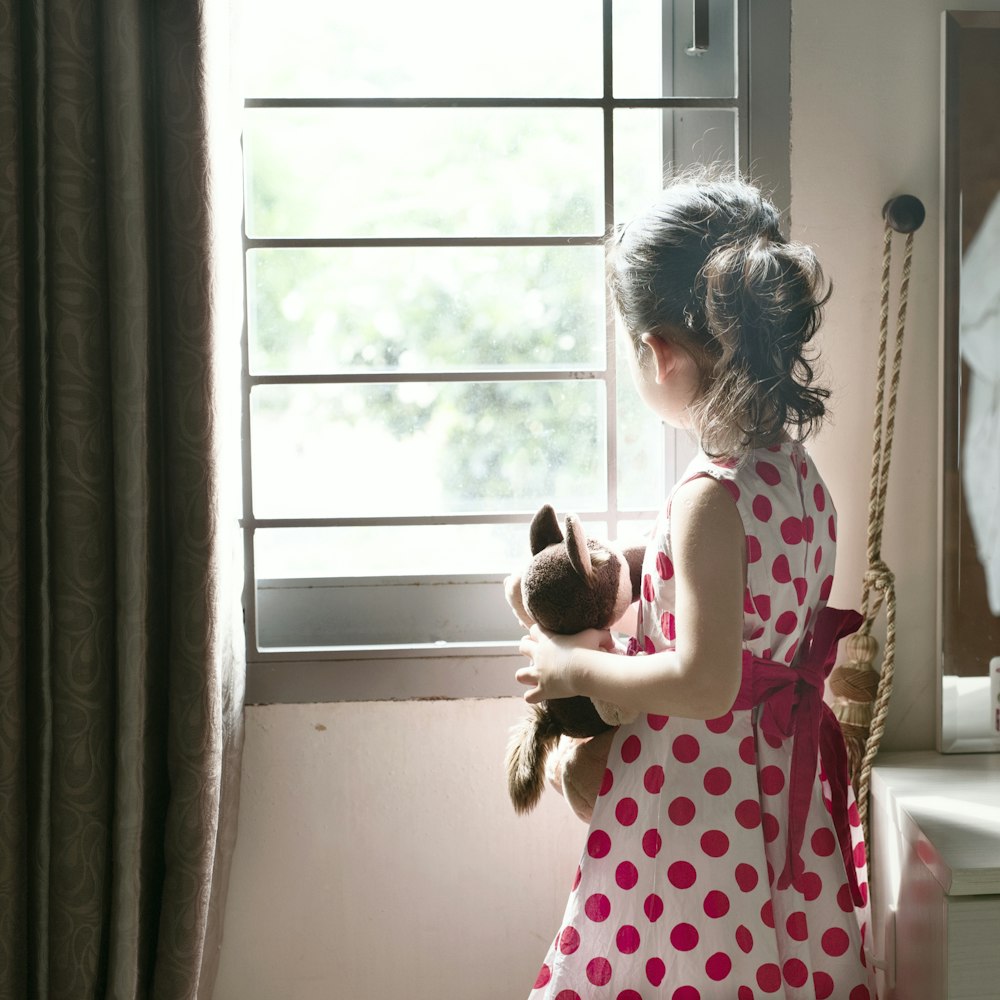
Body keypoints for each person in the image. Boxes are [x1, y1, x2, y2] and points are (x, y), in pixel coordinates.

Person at [515, 174, 876, 1000]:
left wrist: (575, 672)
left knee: (686, 970)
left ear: (659, 352)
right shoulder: (794, 472)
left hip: (701, 816)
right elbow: (757, 622)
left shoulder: (709, 497)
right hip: (774, 787)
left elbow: (706, 681)